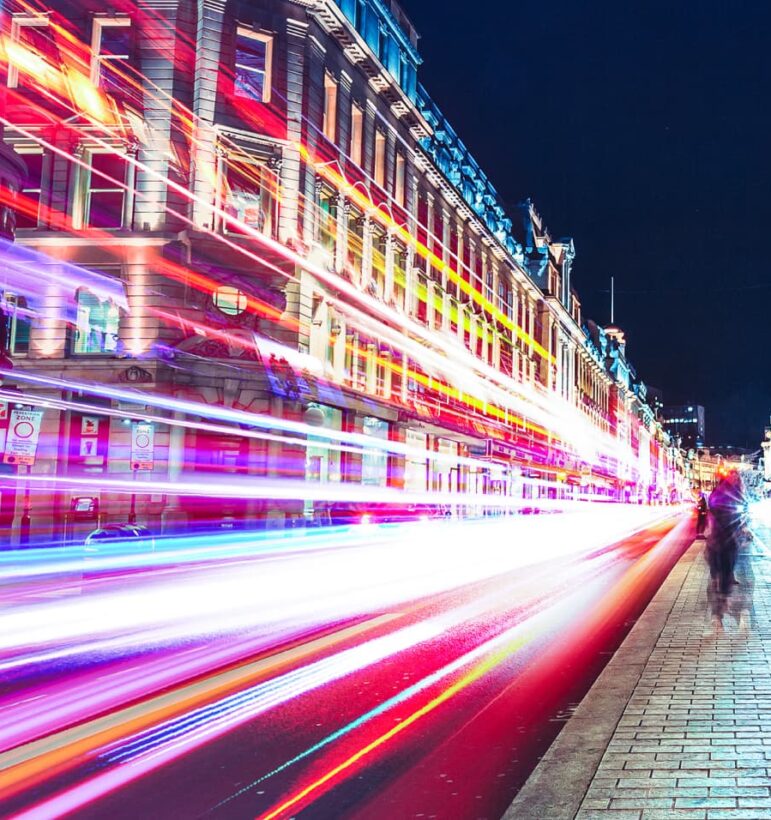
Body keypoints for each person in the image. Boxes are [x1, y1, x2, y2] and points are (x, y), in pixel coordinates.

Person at [705, 471, 746, 633]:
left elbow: (742, 512)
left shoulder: (736, 493)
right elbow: (714, 509)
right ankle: (718, 612)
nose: (735, 479)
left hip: (729, 540)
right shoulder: (721, 491)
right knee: (720, 574)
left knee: (725, 572)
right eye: (732, 476)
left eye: (736, 476)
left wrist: (743, 526)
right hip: (720, 539)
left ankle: (721, 605)